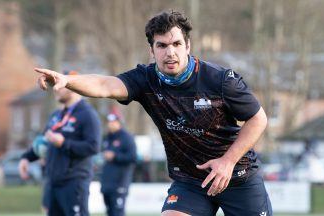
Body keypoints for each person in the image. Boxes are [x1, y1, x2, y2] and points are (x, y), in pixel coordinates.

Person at [34, 11, 272, 216]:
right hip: (190, 181)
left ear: (188, 46)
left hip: (238, 177)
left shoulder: (220, 80)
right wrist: (67, 80)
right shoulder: (145, 80)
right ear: (152, 50)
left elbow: (258, 118)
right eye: (162, 45)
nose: (171, 53)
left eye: (177, 44)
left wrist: (227, 162)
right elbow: (105, 85)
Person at [18, 71, 101, 216]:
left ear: (73, 86)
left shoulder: (87, 114)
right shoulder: (56, 116)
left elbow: (93, 147)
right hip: (53, 182)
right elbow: (43, 141)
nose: (55, 89)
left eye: (60, 85)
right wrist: (26, 158)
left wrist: (64, 143)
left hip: (74, 182)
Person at [100, 113, 137, 216]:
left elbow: (133, 157)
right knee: (109, 212)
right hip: (107, 183)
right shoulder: (107, 138)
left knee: (118, 212)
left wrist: (115, 156)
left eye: (113, 122)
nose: (110, 124)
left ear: (119, 123)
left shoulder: (127, 138)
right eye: (109, 122)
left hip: (120, 182)